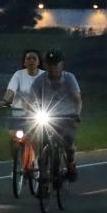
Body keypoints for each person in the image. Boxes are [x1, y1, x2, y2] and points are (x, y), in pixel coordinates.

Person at [29, 48, 82, 181]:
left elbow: (77, 99)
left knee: (68, 143)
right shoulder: (40, 80)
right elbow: (31, 100)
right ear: (46, 65)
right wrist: (31, 111)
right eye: (50, 64)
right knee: (42, 143)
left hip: (67, 116)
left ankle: (71, 164)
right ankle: (43, 173)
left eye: (55, 64)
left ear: (61, 64)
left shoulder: (69, 78)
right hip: (47, 115)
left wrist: (76, 114)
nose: (53, 68)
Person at [0, 49, 43, 158]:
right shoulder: (18, 75)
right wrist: (5, 100)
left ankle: (35, 162)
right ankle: (17, 162)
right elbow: (11, 91)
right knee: (15, 136)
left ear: (38, 62)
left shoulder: (44, 76)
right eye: (28, 58)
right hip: (19, 112)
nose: (31, 61)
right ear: (24, 62)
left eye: (34, 58)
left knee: (37, 137)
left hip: (37, 113)